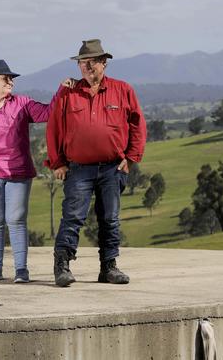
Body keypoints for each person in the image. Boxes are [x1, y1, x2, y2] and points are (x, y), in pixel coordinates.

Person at [45, 39, 147, 287]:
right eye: (83, 62)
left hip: (113, 168)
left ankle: (108, 268)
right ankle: (62, 267)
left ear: (104, 63)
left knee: (110, 219)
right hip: (78, 168)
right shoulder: (68, 93)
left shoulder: (123, 90)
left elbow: (138, 124)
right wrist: (57, 162)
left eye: (92, 62)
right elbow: (54, 128)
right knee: (72, 217)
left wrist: (132, 158)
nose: (87, 67)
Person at [0, 59, 71, 283]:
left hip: (19, 172)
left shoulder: (22, 103)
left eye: (11, 78)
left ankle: (21, 271)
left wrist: (61, 90)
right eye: (6, 78)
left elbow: (48, 113)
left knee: (17, 220)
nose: (11, 81)